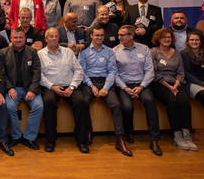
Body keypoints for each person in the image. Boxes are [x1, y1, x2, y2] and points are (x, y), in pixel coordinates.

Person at [79, 26, 132, 156]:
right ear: (91, 36)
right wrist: (91, 86)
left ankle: (120, 139)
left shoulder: (109, 51)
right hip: (89, 82)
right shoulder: (84, 52)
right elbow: (82, 72)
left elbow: (112, 71)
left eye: (101, 35)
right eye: (97, 35)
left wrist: (105, 88)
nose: (99, 38)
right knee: (83, 102)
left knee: (116, 106)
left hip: (105, 82)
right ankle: (88, 130)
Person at [113, 25, 162, 156]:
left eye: (122, 35)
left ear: (131, 36)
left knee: (150, 102)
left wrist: (141, 87)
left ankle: (154, 140)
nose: (119, 37)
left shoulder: (144, 49)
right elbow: (114, 74)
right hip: (124, 85)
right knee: (127, 107)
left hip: (142, 84)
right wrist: (125, 88)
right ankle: (129, 132)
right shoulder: (115, 51)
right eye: (118, 35)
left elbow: (150, 71)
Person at [39, 28, 90, 153]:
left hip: (69, 86)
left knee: (81, 102)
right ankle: (50, 140)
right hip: (51, 87)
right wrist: (52, 87)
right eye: (51, 36)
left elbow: (78, 70)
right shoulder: (40, 54)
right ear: (46, 39)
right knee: (48, 103)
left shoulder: (68, 52)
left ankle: (81, 140)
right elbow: (38, 75)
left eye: (56, 36)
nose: (54, 39)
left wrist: (72, 87)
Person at [149, 28, 197, 150]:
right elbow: (153, 73)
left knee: (184, 101)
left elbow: (181, 72)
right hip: (160, 84)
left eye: (169, 37)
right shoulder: (153, 52)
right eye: (164, 37)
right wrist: (169, 86)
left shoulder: (177, 53)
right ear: (158, 39)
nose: (167, 39)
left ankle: (186, 133)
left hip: (176, 83)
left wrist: (176, 84)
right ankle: (177, 135)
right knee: (173, 101)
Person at [1, 27, 43, 151]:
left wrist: (32, 90)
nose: (18, 40)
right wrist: (9, 88)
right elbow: (2, 73)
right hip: (13, 89)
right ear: (11, 39)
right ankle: (16, 136)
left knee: (39, 106)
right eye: (16, 37)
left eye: (21, 37)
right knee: (9, 107)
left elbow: (37, 73)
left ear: (25, 38)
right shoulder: (3, 52)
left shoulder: (33, 52)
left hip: (29, 88)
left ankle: (29, 137)